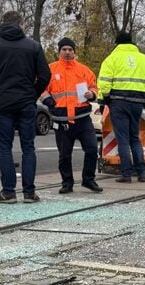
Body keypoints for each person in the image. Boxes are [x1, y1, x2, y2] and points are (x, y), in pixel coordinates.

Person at [0, 10, 51, 203]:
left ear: (3, 23)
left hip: (3, 102)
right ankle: (29, 192)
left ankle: (8, 192)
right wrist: (33, 94)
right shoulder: (33, 46)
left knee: (4, 147)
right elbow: (45, 75)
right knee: (28, 147)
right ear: (21, 24)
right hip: (26, 102)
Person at [42, 37, 103, 194]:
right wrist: (48, 100)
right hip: (61, 119)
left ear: (74, 52)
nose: (67, 52)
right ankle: (67, 182)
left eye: (70, 50)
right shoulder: (51, 69)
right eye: (64, 50)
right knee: (64, 155)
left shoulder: (84, 70)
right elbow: (41, 87)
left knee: (91, 149)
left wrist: (92, 94)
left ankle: (88, 179)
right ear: (59, 52)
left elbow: (95, 86)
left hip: (82, 118)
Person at [97, 31, 145, 183]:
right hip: (137, 103)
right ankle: (142, 173)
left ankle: (126, 174)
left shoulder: (111, 59)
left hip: (118, 103)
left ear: (117, 43)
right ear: (132, 43)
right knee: (135, 138)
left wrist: (104, 100)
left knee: (123, 140)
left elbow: (104, 83)